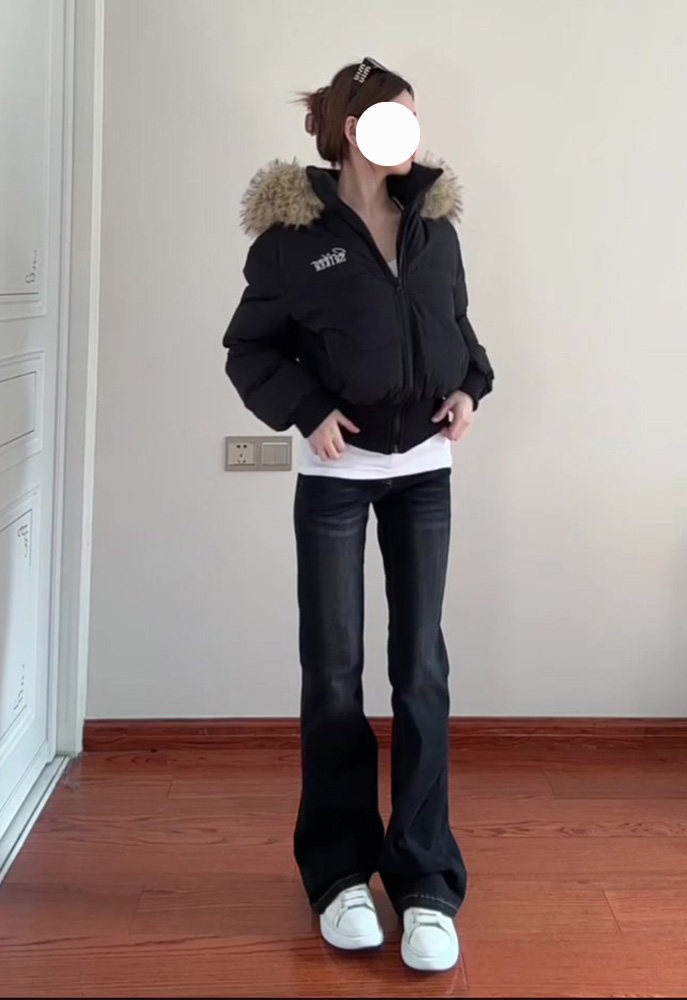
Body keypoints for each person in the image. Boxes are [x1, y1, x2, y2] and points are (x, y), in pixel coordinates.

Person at [222, 57, 494, 973]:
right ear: (352, 129)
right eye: (394, 119)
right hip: (337, 479)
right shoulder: (293, 238)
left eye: (415, 119)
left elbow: (461, 333)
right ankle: (339, 875)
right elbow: (249, 349)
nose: (412, 135)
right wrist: (307, 410)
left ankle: (426, 883)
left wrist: (469, 390)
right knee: (334, 675)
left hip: (424, 474)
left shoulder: (435, 226)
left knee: (420, 671)